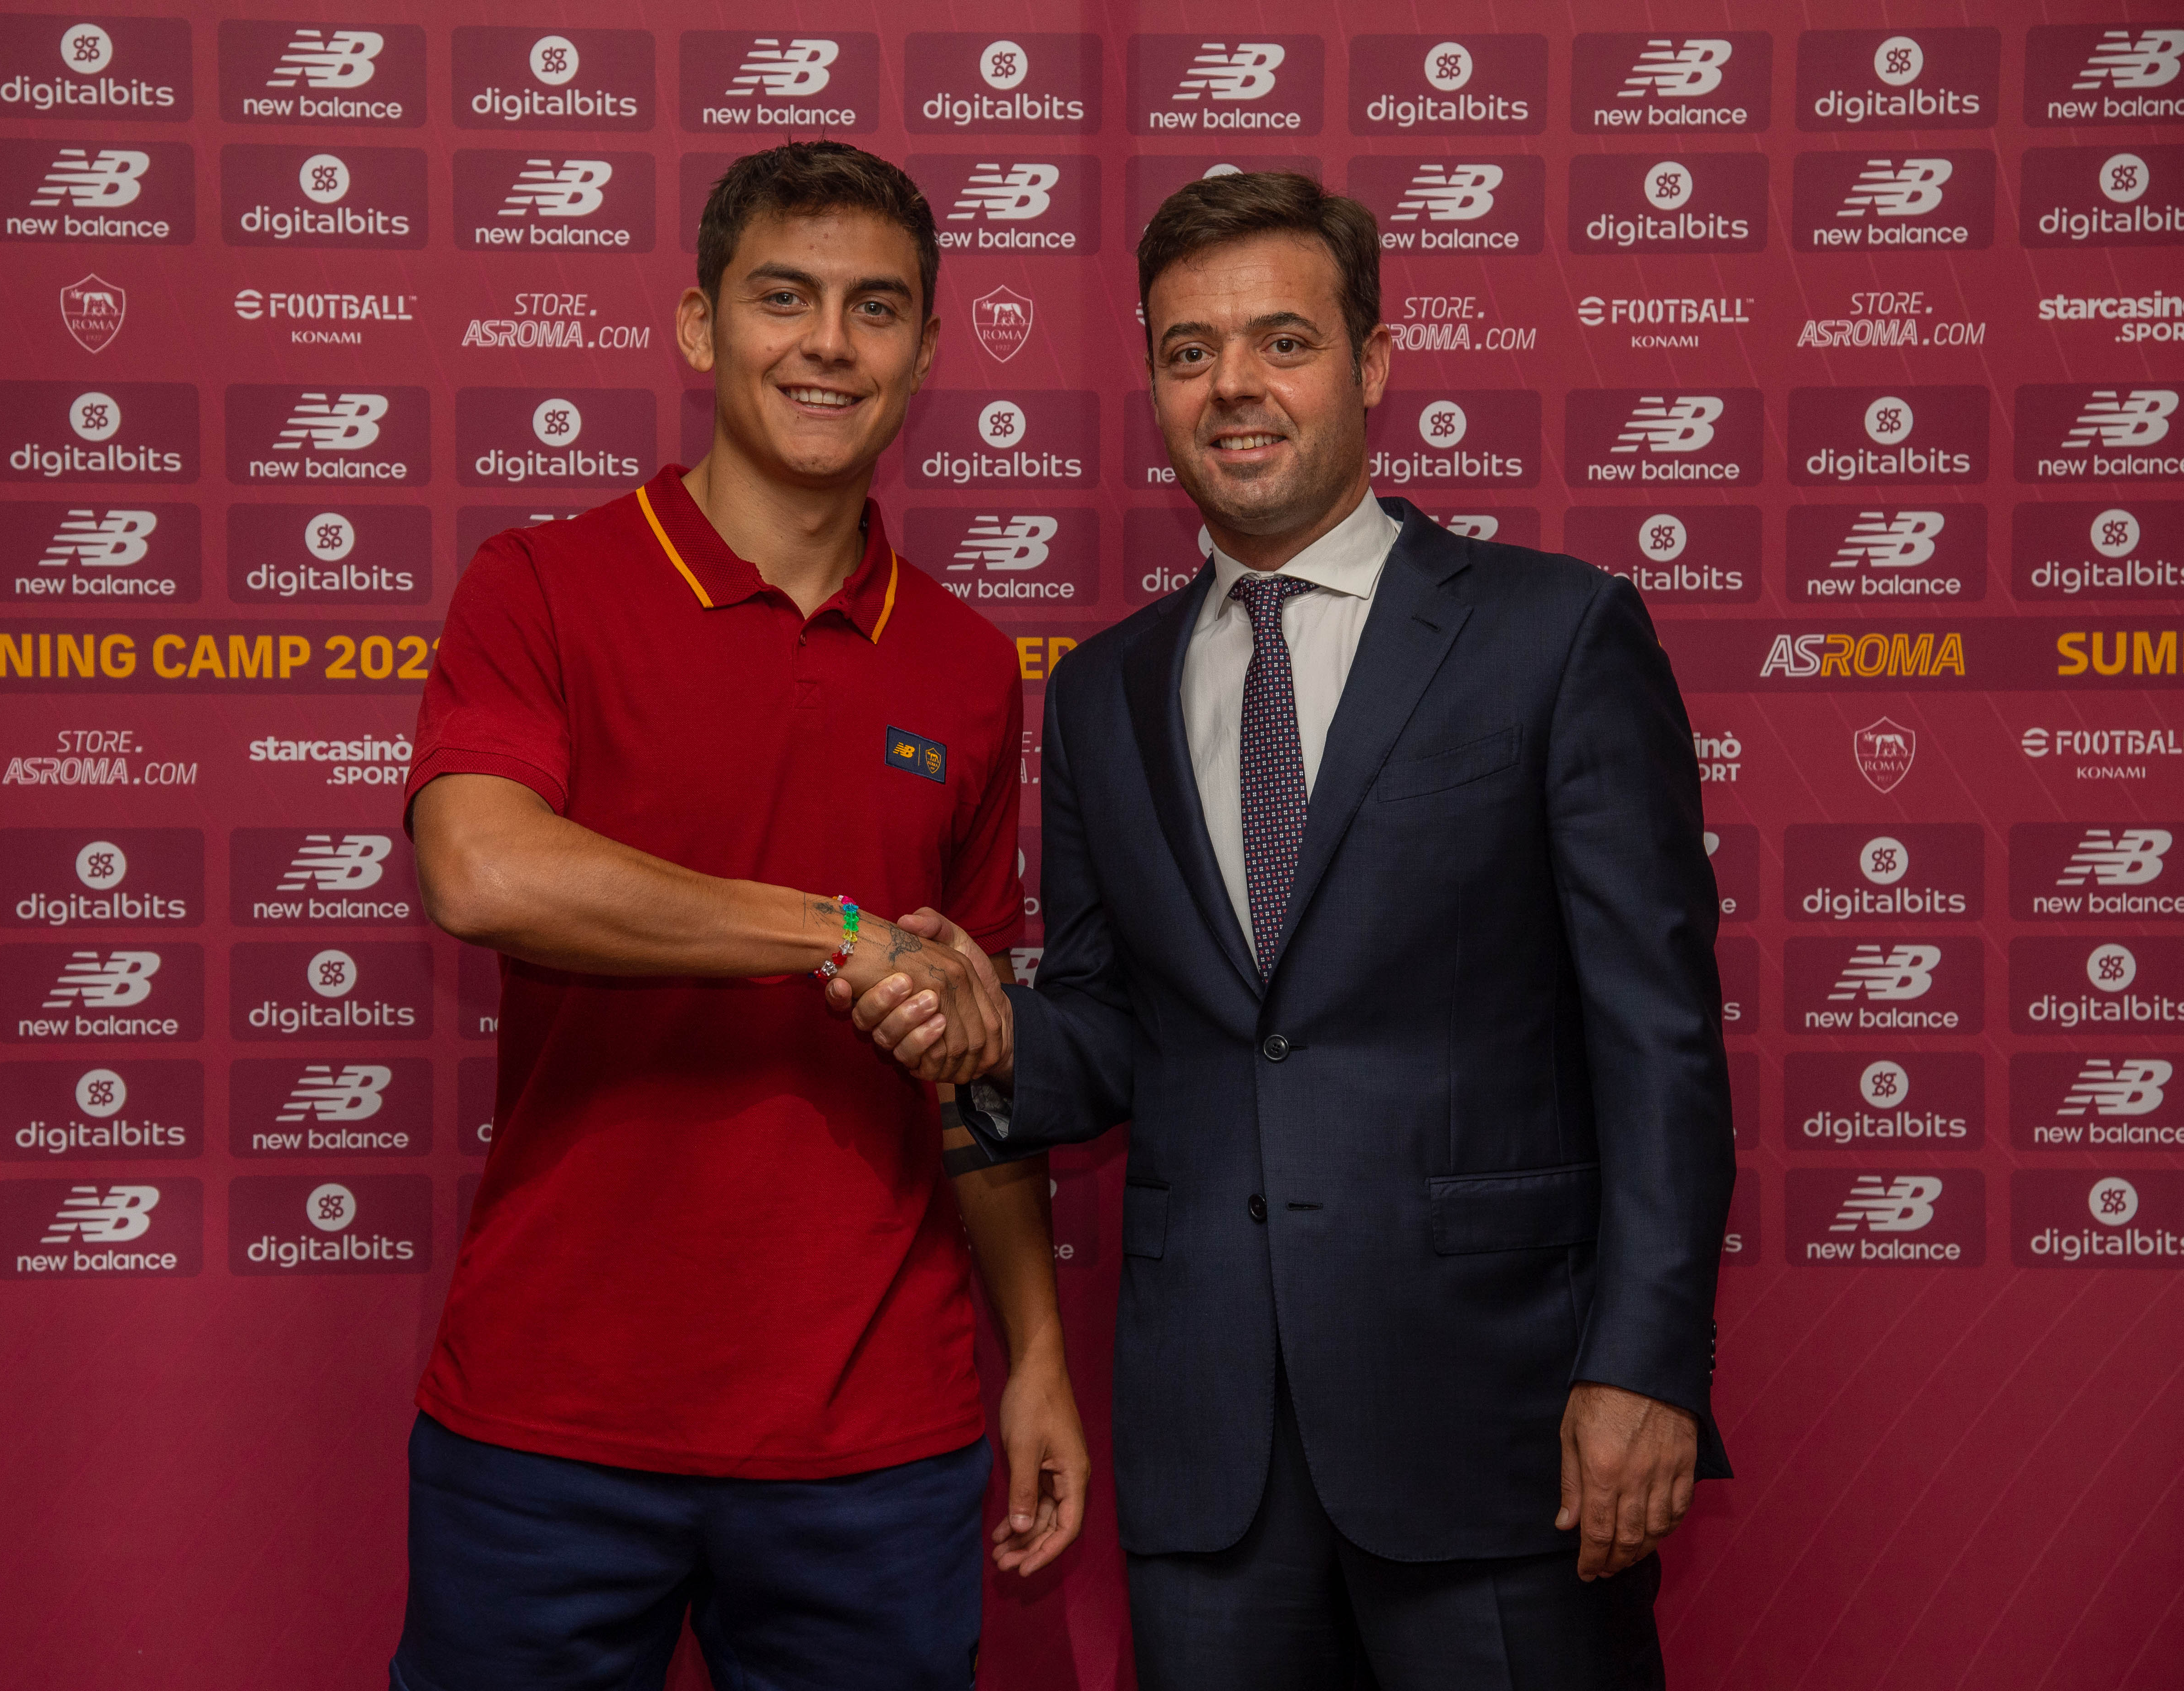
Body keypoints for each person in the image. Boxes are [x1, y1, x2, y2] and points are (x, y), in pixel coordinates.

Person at [845, 171, 1736, 1688]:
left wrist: (1645, 1368)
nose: (1234, 387)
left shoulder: (1556, 632)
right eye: (1189, 351)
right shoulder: (1106, 693)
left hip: (1501, 1435)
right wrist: (978, 1015)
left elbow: (1658, 1044)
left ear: (1373, 365)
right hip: (1214, 1467)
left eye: (1282, 341)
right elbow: (1122, 1027)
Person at [391, 141, 1086, 1691]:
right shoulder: (543, 584)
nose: (829, 343)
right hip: (550, 1420)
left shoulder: (967, 667)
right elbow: (481, 870)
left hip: (872, 1435)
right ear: (702, 326)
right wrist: (839, 932)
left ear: (924, 349)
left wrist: (1033, 1352)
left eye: (877, 309)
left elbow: (965, 1053)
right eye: (785, 297)